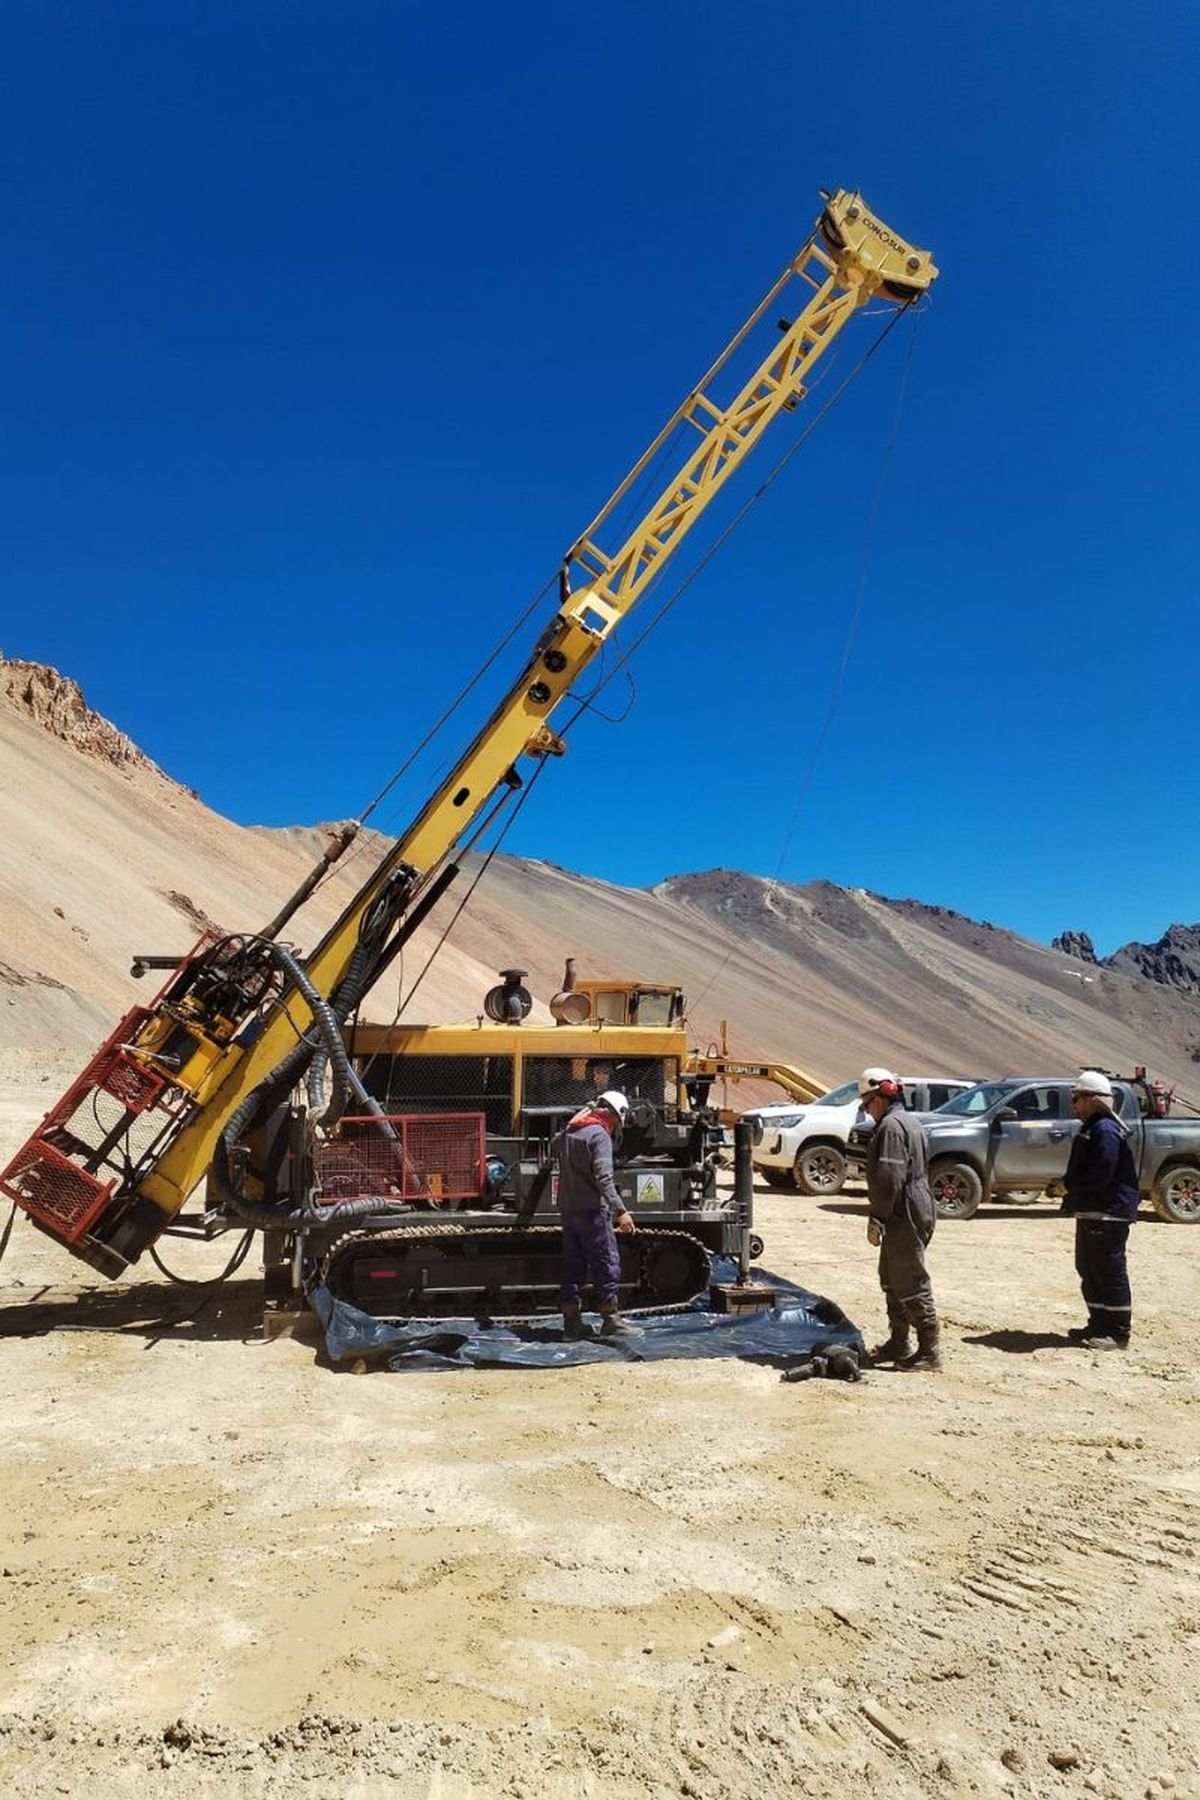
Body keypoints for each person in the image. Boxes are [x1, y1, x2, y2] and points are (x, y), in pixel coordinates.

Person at [859, 1067, 941, 1372]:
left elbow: (888, 1177)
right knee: (891, 1276)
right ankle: (899, 1341)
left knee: (908, 1277)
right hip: (914, 1203)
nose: (867, 1111)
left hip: (903, 1208)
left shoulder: (891, 1127)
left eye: (867, 1104)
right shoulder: (910, 1122)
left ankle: (929, 1350)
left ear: (879, 1098)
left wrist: (877, 1217)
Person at [1060, 1069, 1138, 1349]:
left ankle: (1117, 1332)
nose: (1075, 1104)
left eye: (1078, 1098)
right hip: (1094, 1210)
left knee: (1108, 1269)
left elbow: (1103, 1171)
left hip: (1108, 1212)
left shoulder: (1104, 1129)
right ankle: (1098, 1323)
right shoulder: (1094, 1127)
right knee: (1089, 1267)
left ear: (1093, 1099)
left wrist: (1074, 1187)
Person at [557, 1089, 638, 1340]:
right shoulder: (599, 1135)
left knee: (572, 1267)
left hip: (569, 1211)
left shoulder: (570, 1132)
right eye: (616, 1121)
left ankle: (571, 1325)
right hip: (592, 1212)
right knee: (606, 1264)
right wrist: (621, 1211)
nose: (615, 1126)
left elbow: (553, 1144)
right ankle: (610, 1320)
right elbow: (604, 1178)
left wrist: (573, 1122)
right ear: (614, 1114)